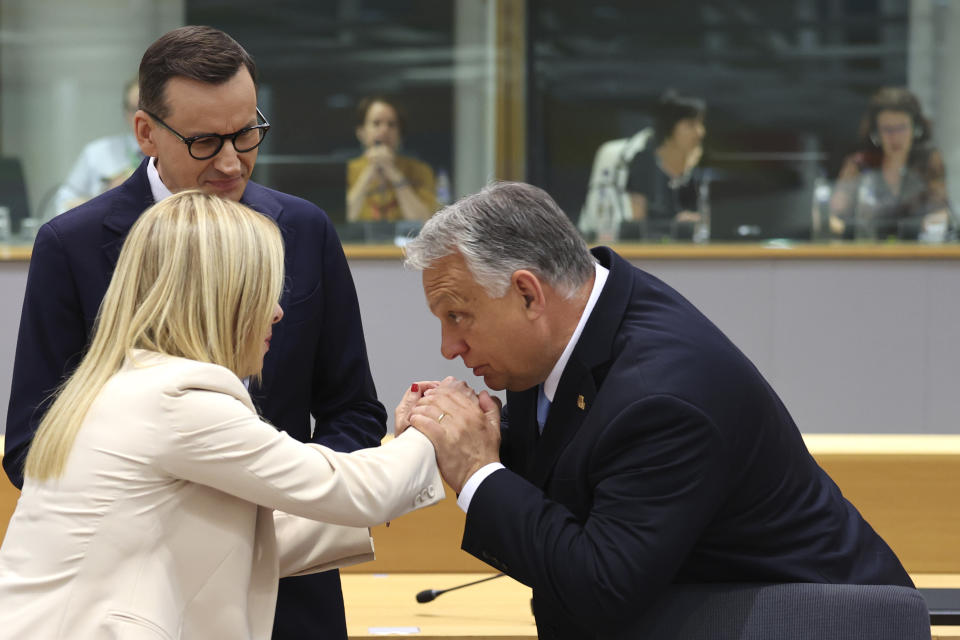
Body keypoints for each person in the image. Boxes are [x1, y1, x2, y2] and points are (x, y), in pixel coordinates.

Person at [5, 26, 387, 640]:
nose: (233, 160)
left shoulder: (305, 230)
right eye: (206, 141)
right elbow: (31, 446)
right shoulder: (70, 247)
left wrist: (283, 499)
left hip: (293, 598)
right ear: (146, 133)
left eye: (247, 133)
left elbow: (355, 412)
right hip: (140, 601)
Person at [401, 182, 913, 639]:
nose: (449, 347)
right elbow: (575, 447)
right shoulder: (571, 328)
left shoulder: (661, 398)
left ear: (528, 294)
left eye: (456, 316)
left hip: (810, 620)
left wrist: (475, 469)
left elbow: (598, 591)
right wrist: (453, 432)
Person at [0, 190, 444, 639]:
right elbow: (348, 490)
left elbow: (224, 542)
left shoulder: (124, 385)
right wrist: (439, 428)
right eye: (264, 292)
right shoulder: (178, 403)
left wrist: (404, 447)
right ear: (222, 299)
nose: (277, 312)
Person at [829, 86, 952, 241]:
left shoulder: (928, 161)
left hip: (918, 255)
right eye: (887, 129)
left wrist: (936, 221)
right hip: (867, 254)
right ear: (876, 132)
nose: (895, 137)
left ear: (916, 128)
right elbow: (836, 216)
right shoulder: (860, 163)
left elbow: (941, 210)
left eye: (902, 128)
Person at [50, 78, 143, 217]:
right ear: (125, 112)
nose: (141, 117)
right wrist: (104, 198)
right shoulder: (97, 153)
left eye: (148, 109)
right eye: (135, 109)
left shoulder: (174, 152)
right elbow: (63, 204)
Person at [625, 90, 706, 239]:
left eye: (701, 124)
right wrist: (675, 225)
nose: (700, 132)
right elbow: (636, 226)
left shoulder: (698, 168)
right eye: (691, 125)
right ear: (669, 128)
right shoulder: (644, 163)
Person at [346, 95, 437, 222]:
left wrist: (393, 172)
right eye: (376, 123)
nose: (384, 130)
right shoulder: (347, 171)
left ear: (400, 133)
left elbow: (424, 223)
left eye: (391, 124)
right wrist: (369, 171)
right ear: (361, 132)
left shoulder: (420, 171)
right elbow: (342, 221)